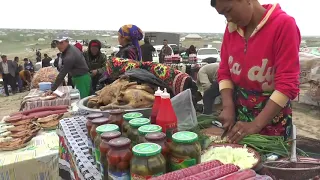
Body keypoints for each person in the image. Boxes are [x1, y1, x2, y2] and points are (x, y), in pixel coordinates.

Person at [211, 1, 300, 142]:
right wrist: (228, 107)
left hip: (272, 119)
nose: (228, 19)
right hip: (240, 117)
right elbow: (224, 71)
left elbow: (287, 84)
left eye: (228, 10)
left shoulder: (283, 25)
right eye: (223, 14)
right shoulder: (232, 29)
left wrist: (256, 124)